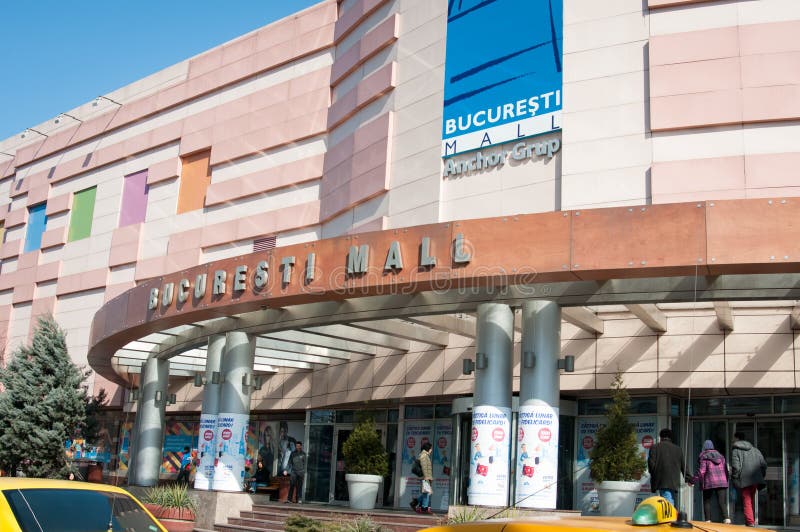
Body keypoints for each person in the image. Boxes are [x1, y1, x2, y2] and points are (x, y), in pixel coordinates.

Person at [687, 440, 731, 523]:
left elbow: (701, 471)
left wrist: (692, 481)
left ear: (704, 448)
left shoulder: (704, 456)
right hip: (722, 481)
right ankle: (727, 518)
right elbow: (726, 470)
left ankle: (708, 520)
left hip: (709, 481)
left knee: (707, 501)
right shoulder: (721, 457)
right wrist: (726, 480)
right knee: (722, 502)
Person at [731, 432, 767, 527]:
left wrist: (735, 477)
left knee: (746, 500)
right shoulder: (755, 450)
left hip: (744, 479)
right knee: (751, 499)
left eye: (734, 438)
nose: (733, 440)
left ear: (737, 438)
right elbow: (763, 464)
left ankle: (750, 521)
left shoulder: (735, 451)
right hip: (755, 479)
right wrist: (760, 476)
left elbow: (736, 466)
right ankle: (753, 520)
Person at [647, 428, 684, 507]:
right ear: (671, 437)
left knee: (667, 498)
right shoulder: (678, 449)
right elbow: (683, 465)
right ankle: (668, 515)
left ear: (660, 437)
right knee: (668, 497)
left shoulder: (655, 447)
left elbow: (651, 463)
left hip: (661, 479)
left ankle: (670, 517)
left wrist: (653, 473)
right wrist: (689, 478)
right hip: (674, 479)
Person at [417, 441, 434, 514]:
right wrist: (426, 477)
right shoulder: (424, 456)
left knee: (426, 493)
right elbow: (424, 467)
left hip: (426, 477)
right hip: (425, 477)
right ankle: (424, 508)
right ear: (428, 449)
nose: (431, 450)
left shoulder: (425, 455)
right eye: (431, 448)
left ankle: (418, 505)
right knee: (427, 492)